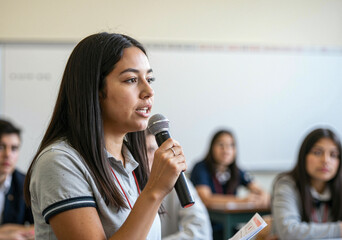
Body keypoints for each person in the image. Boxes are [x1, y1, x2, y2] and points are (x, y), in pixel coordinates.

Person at [23, 32, 187, 240]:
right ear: (96, 90)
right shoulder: (59, 161)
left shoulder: (130, 161)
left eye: (150, 79)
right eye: (131, 79)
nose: (148, 91)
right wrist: (154, 191)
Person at [190, 129, 270, 239]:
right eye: (221, 145)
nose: (226, 150)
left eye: (231, 145)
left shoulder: (236, 171)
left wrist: (263, 196)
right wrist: (242, 201)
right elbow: (206, 199)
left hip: (229, 228)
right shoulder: (201, 168)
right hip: (206, 228)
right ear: (212, 147)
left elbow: (258, 189)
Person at [271, 128, 342, 239]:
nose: (326, 160)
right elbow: (289, 232)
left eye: (333, 155)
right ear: (304, 156)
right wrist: (339, 229)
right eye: (317, 153)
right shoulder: (286, 185)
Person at [145, 130, 212, 240]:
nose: (146, 157)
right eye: (141, 151)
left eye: (151, 150)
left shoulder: (177, 181)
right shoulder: (126, 185)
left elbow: (201, 230)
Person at [0, 119, 34, 240]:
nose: (8, 154)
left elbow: (39, 228)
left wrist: (8, 229)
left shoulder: (25, 184)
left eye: (14, 148)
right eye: (1, 147)